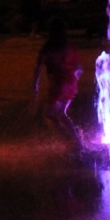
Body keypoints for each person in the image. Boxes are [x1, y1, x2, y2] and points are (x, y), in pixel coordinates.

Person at [33, 16, 84, 153]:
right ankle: (76, 141)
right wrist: (73, 78)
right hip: (69, 81)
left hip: (58, 82)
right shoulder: (68, 47)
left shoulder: (48, 48)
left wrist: (35, 85)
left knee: (51, 113)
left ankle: (70, 139)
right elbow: (79, 67)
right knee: (61, 113)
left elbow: (38, 67)